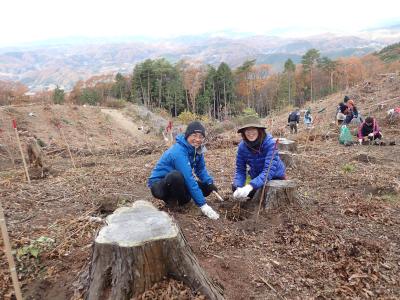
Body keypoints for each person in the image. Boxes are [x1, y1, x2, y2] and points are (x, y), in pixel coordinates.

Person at [148, 121, 219, 219]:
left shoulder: (197, 150)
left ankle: (184, 199)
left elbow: (201, 169)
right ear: (187, 135)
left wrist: (209, 182)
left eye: (201, 136)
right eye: (194, 135)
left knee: (206, 188)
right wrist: (203, 205)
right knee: (176, 176)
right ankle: (174, 202)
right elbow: (188, 178)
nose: (197, 139)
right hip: (160, 185)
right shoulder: (178, 151)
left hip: (180, 180)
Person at [232, 123, 286, 200]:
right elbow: (240, 170)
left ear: (259, 130)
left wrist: (250, 186)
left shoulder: (270, 144)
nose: (250, 133)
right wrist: (238, 186)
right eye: (247, 130)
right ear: (243, 132)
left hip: (274, 177)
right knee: (237, 190)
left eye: (253, 129)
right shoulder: (242, 147)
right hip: (257, 177)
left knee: (263, 196)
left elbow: (268, 171)